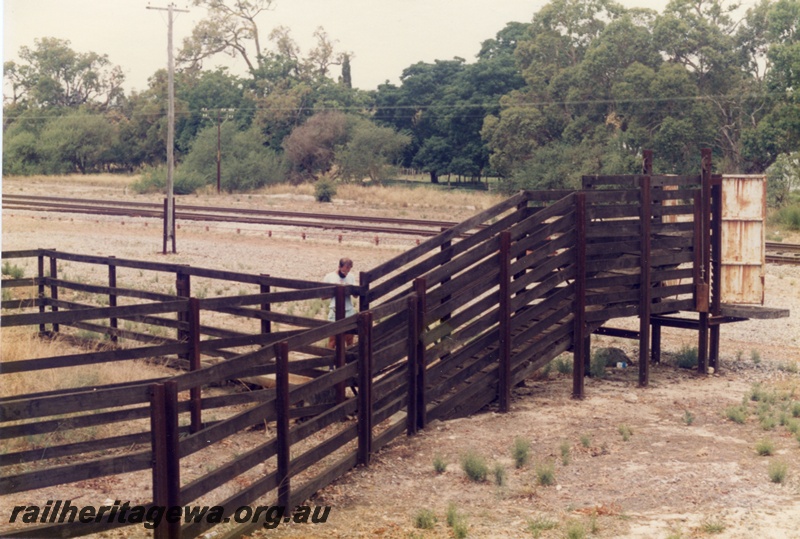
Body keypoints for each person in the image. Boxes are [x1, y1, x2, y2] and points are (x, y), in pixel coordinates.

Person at [323, 258, 357, 348]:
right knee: (333, 340)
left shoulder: (351, 277)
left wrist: (351, 290)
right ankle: (329, 360)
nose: (347, 272)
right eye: (345, 269)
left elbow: (356, 295)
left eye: (349, 269)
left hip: (348, 310)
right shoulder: (329, 277)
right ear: (339, 267)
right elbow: (322, 296)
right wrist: (335, 291)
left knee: (349, 339)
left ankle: (349, 361)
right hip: (335, 310)